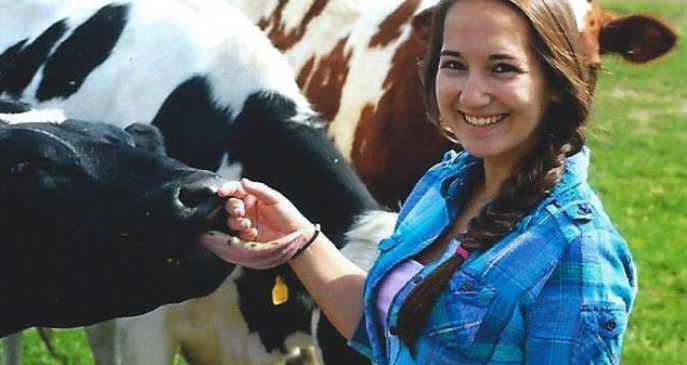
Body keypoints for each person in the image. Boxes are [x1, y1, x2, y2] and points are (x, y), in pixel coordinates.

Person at [205, 0, 637, 362]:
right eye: (453, 64)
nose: (470, 95)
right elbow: (388, 329)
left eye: (502, 68)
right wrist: (299, 239)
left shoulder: (578, 252)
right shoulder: (442, 185)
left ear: (557, 81)